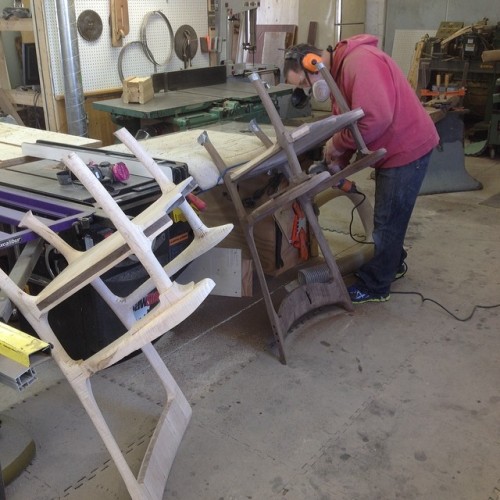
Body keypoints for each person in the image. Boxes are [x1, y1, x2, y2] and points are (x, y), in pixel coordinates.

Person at [283, 34, 439, 304]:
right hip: (393, 147)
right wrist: (336, 161)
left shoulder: (359, 63)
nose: (308, 94)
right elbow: (352, 122)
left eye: (304, 86)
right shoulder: (339, 73)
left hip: (405, 147)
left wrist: (338, 143)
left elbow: (376, 119)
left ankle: (376, 286)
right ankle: (394, 263)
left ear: (312, 63)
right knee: (392, 215)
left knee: (386, 222)